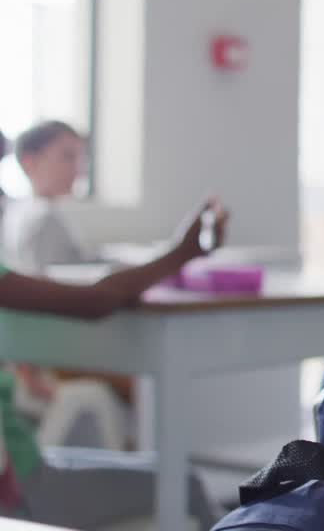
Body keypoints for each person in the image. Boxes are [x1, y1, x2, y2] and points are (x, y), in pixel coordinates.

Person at [0, 199, 226, 527]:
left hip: (25, 462)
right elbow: (96, 301)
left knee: (159, 471)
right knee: (186, 486)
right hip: (19, 490)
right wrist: (183, 252)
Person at [3, 121, 90, 274]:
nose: (78, 171)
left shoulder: (15, 210)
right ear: (29, 163)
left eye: (80, 158)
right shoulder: (43, 219)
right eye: (68, 157)